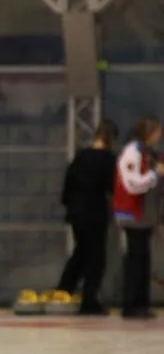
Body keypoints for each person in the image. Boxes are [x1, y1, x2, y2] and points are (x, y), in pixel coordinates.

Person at [57, 119, 118, 315]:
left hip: (76, 213)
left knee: (81, 252)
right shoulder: (108, 159)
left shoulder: (80, 156)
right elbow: (111, 187)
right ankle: (89, 300)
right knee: (95, 257)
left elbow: (67, 186)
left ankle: (64, 290)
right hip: (95, 213)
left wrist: (70, 205)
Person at [111, 116, 164, 319]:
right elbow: (133, 184)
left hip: (146, 217)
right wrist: (155, 175)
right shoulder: (132, 153)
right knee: (135, 260)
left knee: (143, 260)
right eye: (157, 131)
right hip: (133, 216)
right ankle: (131, 304)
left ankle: (141, 303)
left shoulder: (148, 153)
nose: (159, 135)